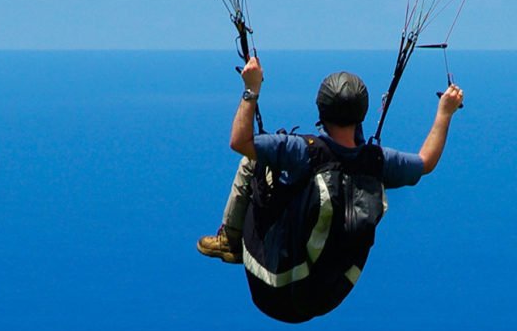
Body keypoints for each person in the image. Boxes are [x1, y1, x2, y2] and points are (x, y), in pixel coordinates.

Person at [197, 56, 464, 265]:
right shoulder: (376, 162)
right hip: (329, 288)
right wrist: (445, 112)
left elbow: (239, 142)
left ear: (320, 110)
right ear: (362, 114)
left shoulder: (299, 151)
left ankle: (230, 241)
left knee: (253, 161)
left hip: (278, 278)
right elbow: (426, 162)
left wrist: (251, 89)